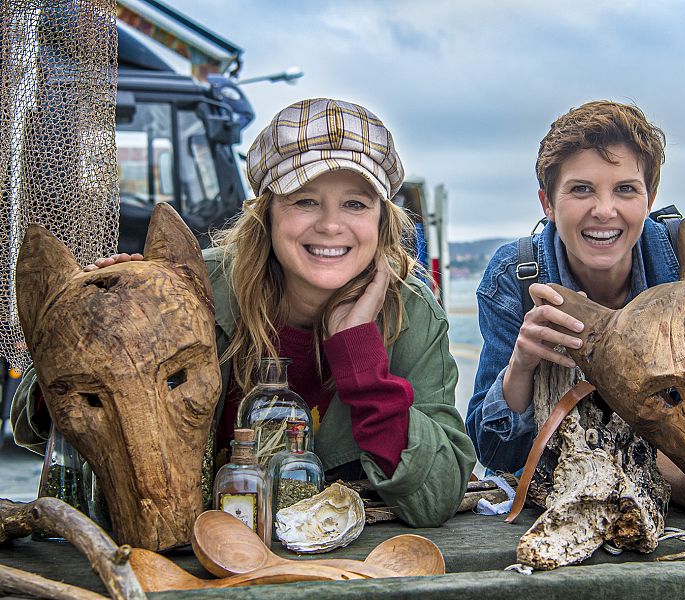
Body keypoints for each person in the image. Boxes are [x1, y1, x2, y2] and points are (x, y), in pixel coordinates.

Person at [13, 98, 475, 528]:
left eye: (355, 203)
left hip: (344, 558)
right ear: (267, 213)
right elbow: (36, 418)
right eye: (304, 201)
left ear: (381, 217)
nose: (331, 225)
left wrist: (362, 362)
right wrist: (107, 329)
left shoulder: (411, 313)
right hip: (183, 542)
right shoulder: (191, 287)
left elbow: (437, 494)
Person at [466, 100, 685, 520]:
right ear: (547, 202)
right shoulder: (516, 276)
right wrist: (520, 366)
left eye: (625, 189)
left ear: (649, 198)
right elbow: (493, 451)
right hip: (558, 508)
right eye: (581, 189)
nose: (604, 210)